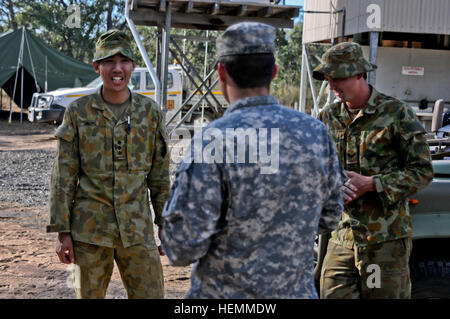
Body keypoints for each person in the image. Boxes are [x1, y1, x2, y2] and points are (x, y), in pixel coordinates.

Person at [161, 22, 344, 299]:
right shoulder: (315, 133)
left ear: (221, 72)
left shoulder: (213, 140)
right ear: (274, 72)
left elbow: (181, 247)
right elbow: (331, 215)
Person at [46, 29, 169, 299]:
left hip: (137, 231)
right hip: (90, 233)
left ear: (133, 66)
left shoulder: (149, 113)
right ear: (96, 66)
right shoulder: (79, 113)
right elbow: (64, 175)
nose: (117, 68)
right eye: (108, 61)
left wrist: (165, 222)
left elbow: (159, 176)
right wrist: (62, 232)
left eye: (124, 60)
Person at [314, 42, 434, 299]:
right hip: (341, 237)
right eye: (328, 79)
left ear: (359, 74)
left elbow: (423, 172)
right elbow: (314, 169)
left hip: (384, 241)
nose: (332, 86)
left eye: (338, 78)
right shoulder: (327, 118)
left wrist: (372, 183)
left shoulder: (396, 113)